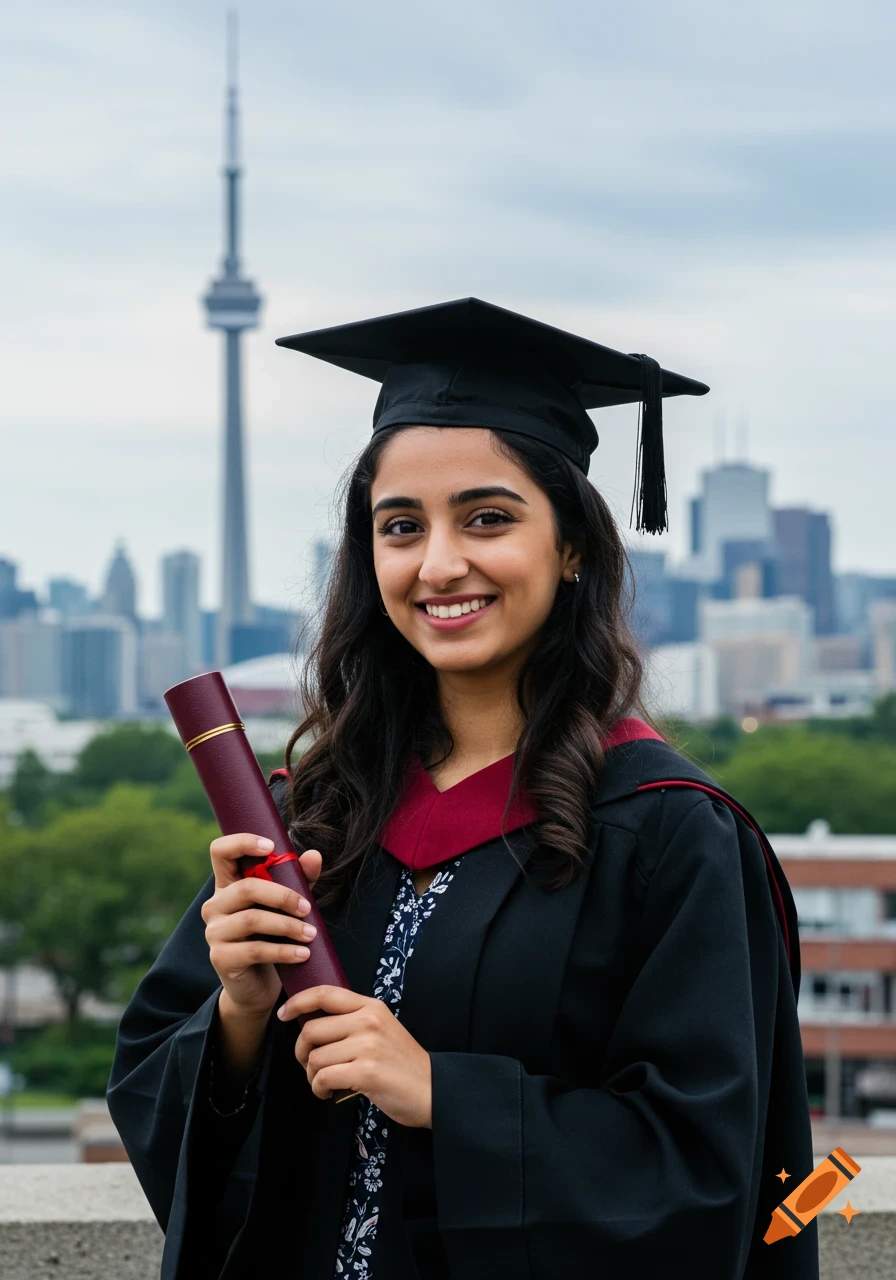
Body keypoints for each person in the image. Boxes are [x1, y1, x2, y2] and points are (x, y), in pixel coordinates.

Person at [107, 298, 819, 1280]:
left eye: (487, 517)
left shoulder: (667, 832)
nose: (438, 563)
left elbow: (707, 1174)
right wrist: (234, 1011)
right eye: (400, 526)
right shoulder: (316, 810)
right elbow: (158, 1091)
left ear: (570, 545)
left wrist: (443, 1091)